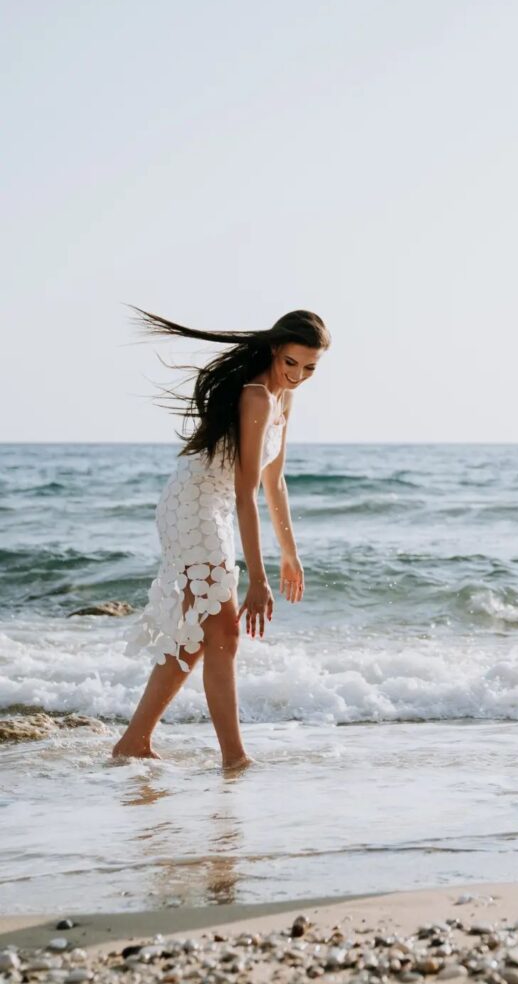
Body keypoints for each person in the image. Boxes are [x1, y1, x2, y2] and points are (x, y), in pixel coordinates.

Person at [113, 309, 330, 769]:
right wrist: (258, 577)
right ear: (276, 350)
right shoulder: (256, 397)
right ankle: (234, 757)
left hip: (212, 509)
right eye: (292, 363)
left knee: (200, 634)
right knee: (225, 629)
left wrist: (290, 554)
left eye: (310, 368)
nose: (298, 376)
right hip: (192, 507)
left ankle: (134, 741)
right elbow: (245, 495)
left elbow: (276, 482)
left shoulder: (284, 398)